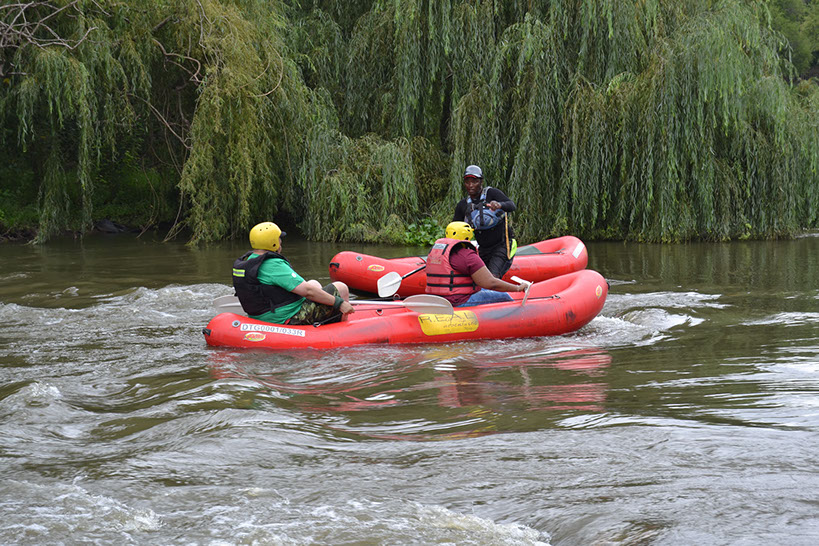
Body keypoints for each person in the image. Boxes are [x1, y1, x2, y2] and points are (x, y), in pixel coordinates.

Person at [232, 222, 354, 325]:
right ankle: (341, 327)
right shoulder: (272, 264)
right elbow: (308, 292)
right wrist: (339, 303)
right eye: (279, 239)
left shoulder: (249, 261)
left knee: (314, 283)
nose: (281, 242)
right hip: (285, 318)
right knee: (341, 288)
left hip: (261, 315)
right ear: (273, 242)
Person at [425, 221, 528, 307]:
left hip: (438, 299)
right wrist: (517, 288)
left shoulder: (437, 252)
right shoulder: (467, 256)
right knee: (504, 296)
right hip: (458, 301)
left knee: (483, 290)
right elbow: (491, 283)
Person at [452, 164, 517, 278]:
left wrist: (499, 205)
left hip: (502, 245)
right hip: (482, 249)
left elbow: (511, 205)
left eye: (474, 181)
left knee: (492, 277)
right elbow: (454, 229)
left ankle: (496, 284)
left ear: (481, 182)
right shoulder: (463, 205)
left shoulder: (492, 194)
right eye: (467, 182)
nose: (470, 185)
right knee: (478, 278)